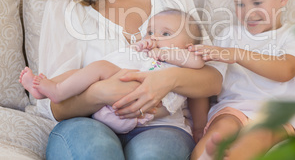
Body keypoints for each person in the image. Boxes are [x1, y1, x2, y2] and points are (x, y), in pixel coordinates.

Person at [37, 0, 224, 160]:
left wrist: (167, 80)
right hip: (88, 123)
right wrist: (99, 93)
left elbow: (213, 80)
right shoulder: (64, 10)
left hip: (162, 126)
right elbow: (50, 103)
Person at [189, 0, 295, 159]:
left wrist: (236, 54)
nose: (248, 13)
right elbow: (206, 82)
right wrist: (200, 125)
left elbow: (285, 70)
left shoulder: (294, 35)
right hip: (233, 109)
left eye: (257, 3)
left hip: (278, 115)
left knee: (257, 137)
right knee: (219, 131)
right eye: (239, 4)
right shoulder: (227, 35)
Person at [20, 9, 205, 134]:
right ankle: (49, 89)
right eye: (150, 32)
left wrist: (163, 53)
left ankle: (58, 91)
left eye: (165, 34)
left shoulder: (183, 59)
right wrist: (142, 45)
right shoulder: (146, 53)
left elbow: (197, 62)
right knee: (79, 72)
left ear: (189, 46)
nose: (154, 37)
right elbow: (129, 55)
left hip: (142, 105)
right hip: (111, 100)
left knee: (100, 67)